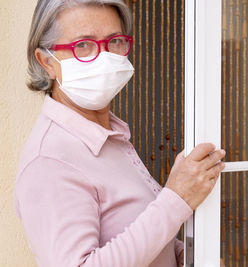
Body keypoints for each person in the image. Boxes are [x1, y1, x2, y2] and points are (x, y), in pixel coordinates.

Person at [14, 0, 225, 266]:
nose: (104, 56)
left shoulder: (108, 135)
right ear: (46, 62)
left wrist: (186, 256)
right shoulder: (49, 161)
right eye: (83, 45)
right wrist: (177, 198)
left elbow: (130, 233)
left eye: (114, 41)